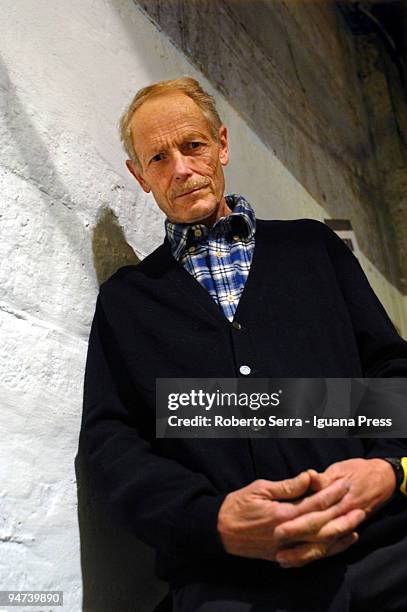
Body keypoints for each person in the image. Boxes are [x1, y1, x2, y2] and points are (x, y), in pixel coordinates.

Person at [80, 77, 407, 611]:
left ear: (222, 144)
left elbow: (390, 368)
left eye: (193, 145)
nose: (181, 170)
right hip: (228, 583)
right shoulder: (128, 301)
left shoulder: (312, 248)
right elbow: (112, 441)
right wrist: (210, 520)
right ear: (140, 177)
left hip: (379, 551)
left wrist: (388, 468)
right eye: (158, 159)